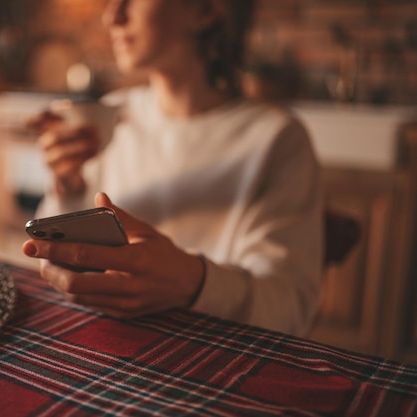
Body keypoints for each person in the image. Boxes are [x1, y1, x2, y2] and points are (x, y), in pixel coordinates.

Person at [22, 0, 323, 337]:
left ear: (205, 10)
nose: (113, 15)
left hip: (213, 354)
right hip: (109, 337)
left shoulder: (276, 139)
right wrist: (67, 185)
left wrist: (194, 283)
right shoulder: (106, 118)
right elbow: (65, 252)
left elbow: (290, 308)